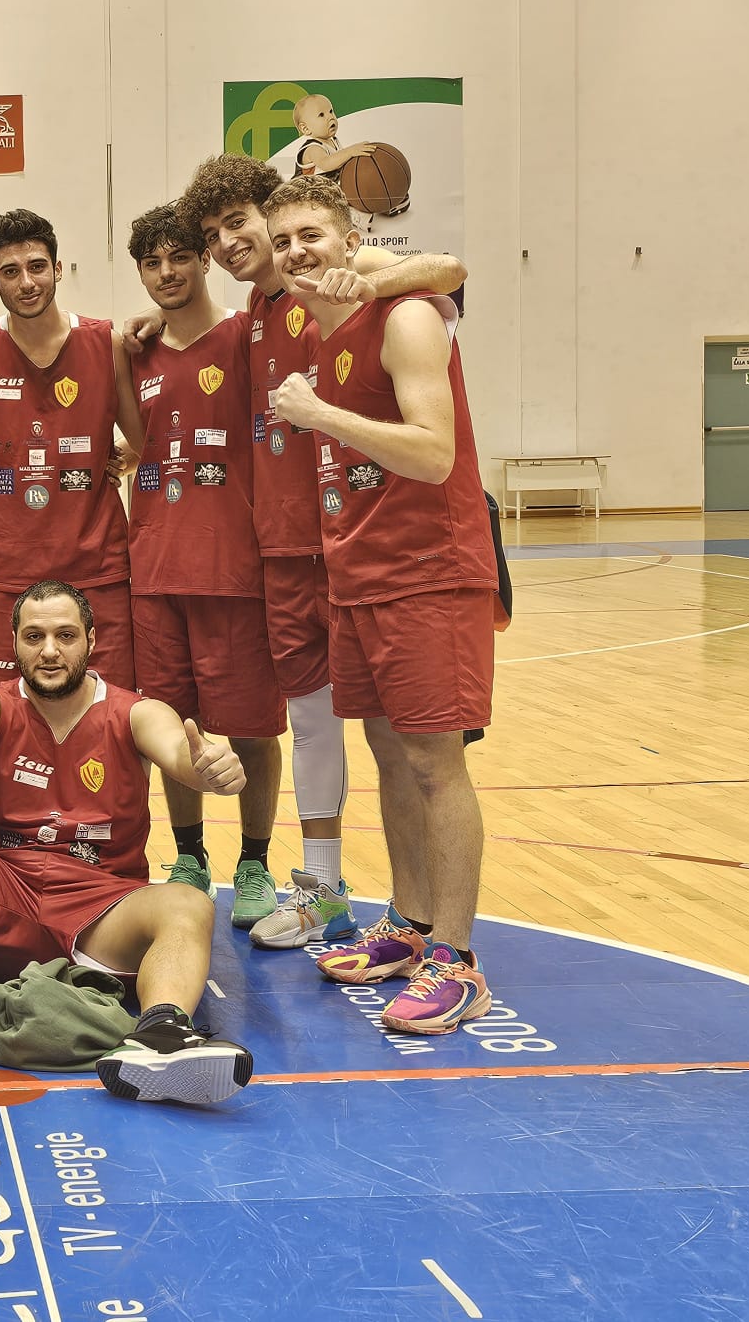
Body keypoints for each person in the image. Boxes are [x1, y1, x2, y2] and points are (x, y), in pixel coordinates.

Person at [177, 153, 467, 949]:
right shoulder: (252, 318)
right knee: (314, 723)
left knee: (404, 743)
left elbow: (448, 266)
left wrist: (371, 281)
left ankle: (437, 926)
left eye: (239, 223)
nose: (230, 242)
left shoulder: (346, 278)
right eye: (214, 235)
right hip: (286, 545)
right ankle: (327, 890)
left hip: (370, 543)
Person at [0, 580, 254, 1106]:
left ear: (92, 640)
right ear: (14, 644)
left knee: (188, 901)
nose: (49, 650)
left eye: (65, 635)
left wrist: (208, 770)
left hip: (101, 911)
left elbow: (179, 754)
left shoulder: (135, 712)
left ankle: (161, 1033)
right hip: (2, 899)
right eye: (34, 636)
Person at [265, 175, 496, 1035]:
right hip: (359, 577)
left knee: (437, 764)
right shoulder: (325, 331)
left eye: (311, 235)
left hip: (428, 574)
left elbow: (434, 454)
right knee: (391, 757)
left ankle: (457, 959)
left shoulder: (406, 317)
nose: (297, 252)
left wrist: (321, 414)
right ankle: (410, 922)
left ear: (350, 236)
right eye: (283, 240)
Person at [117, 205, 285, 921]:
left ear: (206, 257)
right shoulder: (134, 351)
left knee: (251, 726)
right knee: (171, 723)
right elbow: (128, 441)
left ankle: (254, 863)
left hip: (233, 568)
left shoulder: (246, 334)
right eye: (151, 262)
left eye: (178, 257)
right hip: (153, 566)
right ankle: (189, 852)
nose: (166, 273)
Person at [0, 209, 136, 691]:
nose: (26, 282)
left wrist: (127, 456)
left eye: (37, 266)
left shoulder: (105, 342)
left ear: (57, 268)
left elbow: (146, 438)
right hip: (5, 568)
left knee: (111, 714)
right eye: (10, 272)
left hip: (97, 564)